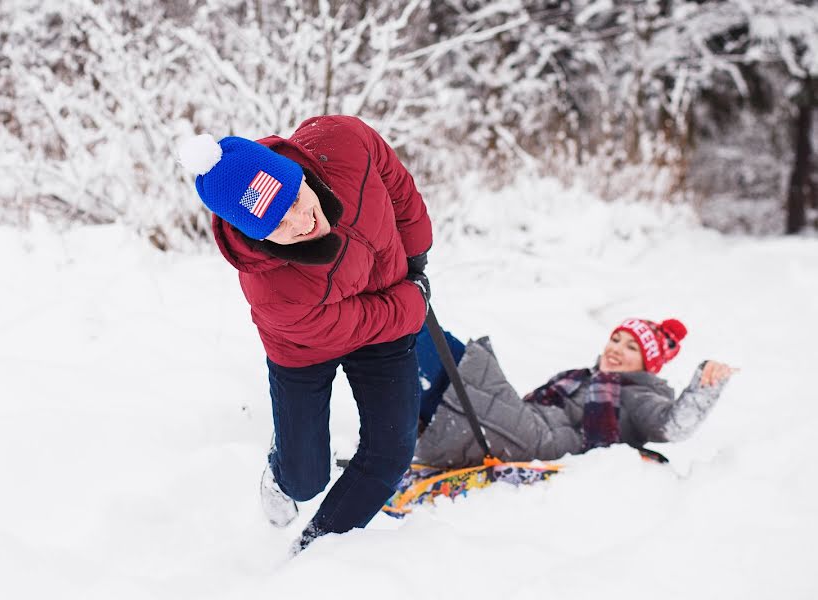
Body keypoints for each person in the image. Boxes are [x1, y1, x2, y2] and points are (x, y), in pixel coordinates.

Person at [177, 115, 433, 551]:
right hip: (305, 348)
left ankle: (315, 552)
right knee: (304, 478)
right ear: (256, 236)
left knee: (390, 454)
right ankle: (283, 469)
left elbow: (396, 182)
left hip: (387, 311)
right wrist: (413, 301)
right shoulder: (274, 289)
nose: (301, 222)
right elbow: (353, 324)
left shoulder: (344, 142)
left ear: (296, 172)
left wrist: (416, 249)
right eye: (278, 225)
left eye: (295, 199)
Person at [413, 318, 736, 468]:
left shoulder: (640, 394)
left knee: (460, 366)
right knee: (460, 373)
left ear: (647, 364)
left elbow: (673, 425)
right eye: (616, 339)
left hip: (545, 444)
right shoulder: (579, 378)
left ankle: (402, 325)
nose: (617, 349)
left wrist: (704, 389)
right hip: (528, 427)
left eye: (632, 347)